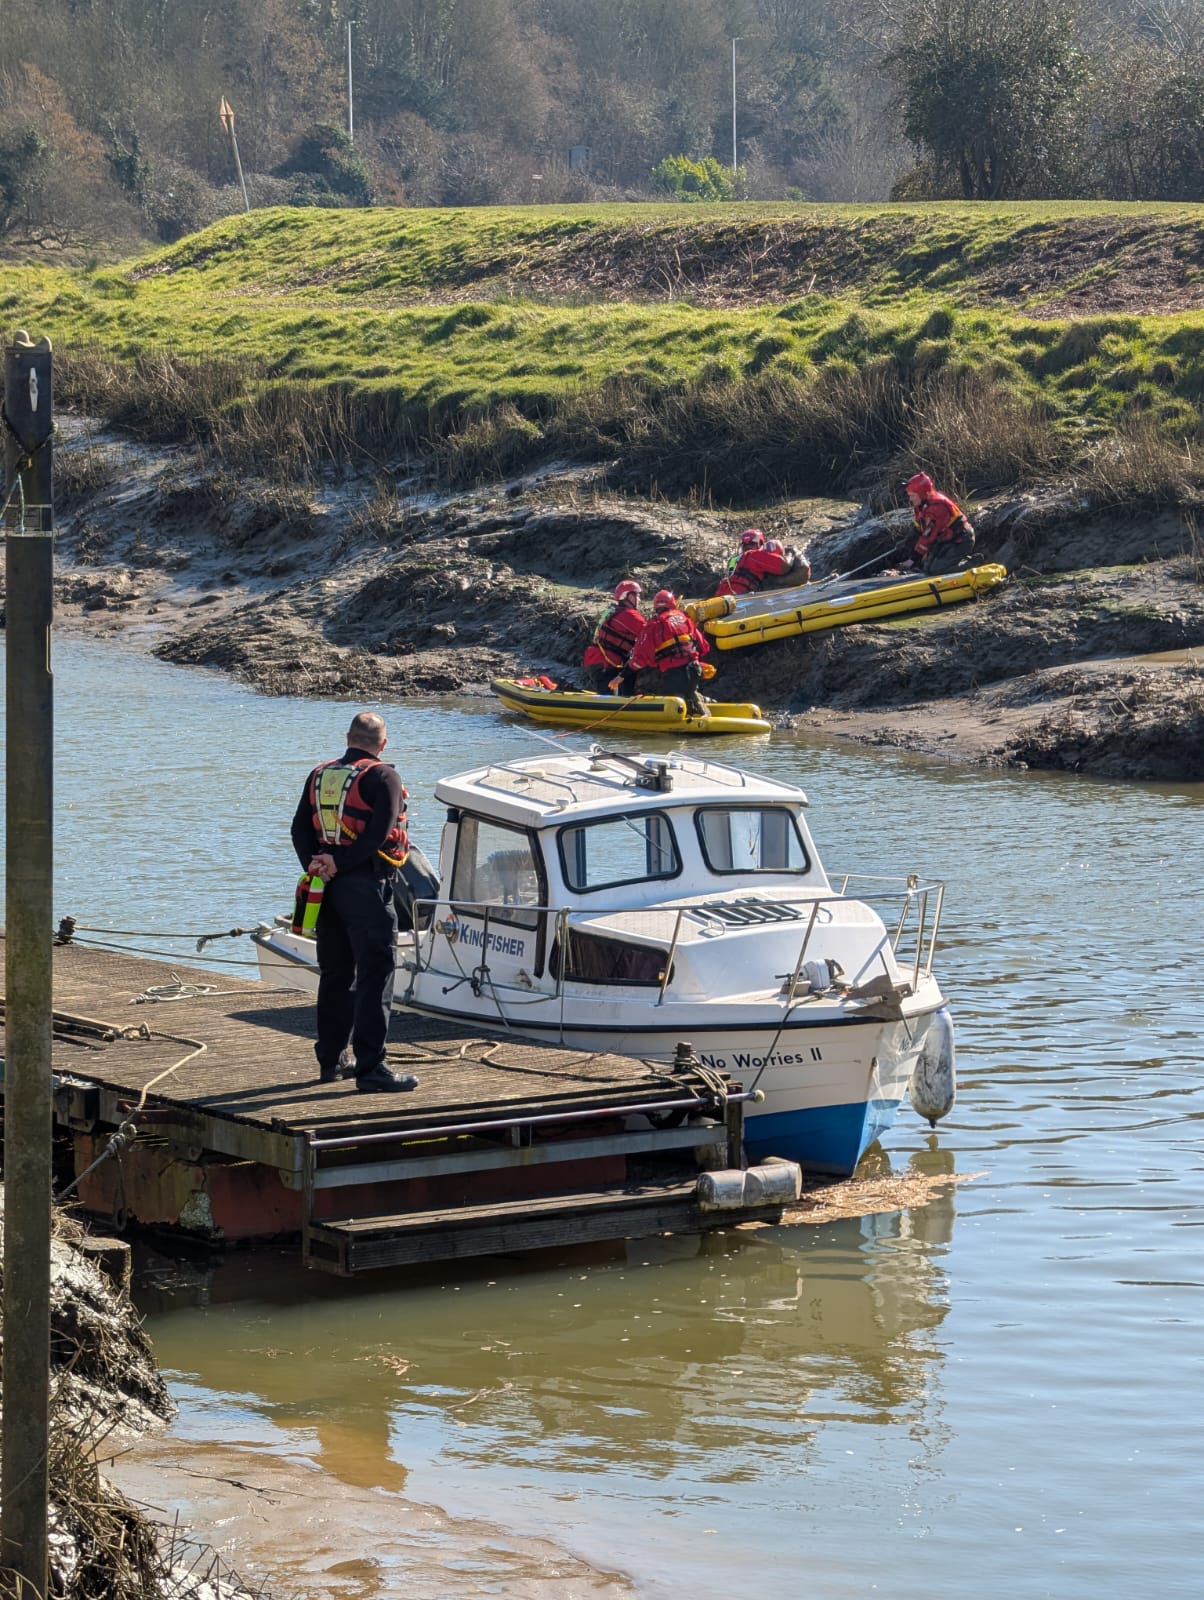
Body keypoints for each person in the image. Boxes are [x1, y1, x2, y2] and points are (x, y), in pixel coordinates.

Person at [291, 711, 419, 1093]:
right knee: (374, 976)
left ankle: (331, 1060)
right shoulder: (384, 776)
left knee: (335, 974)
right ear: (383, 744)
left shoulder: (319, 774)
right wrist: (341, 864)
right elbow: (378, 835)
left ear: (348, 738)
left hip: (326, 889)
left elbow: (299, 828)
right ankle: (371, 1068)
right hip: (366, 886)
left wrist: (319, 866)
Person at [617, 589, 711, 716]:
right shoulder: (685, 619)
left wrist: (621, 676)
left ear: (656, 606)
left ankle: (687, 720)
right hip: (695, 669)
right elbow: (704, 647)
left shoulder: (654, 625)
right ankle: (702, 714)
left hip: (674, 674)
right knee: (690, 691)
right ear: (673, 603)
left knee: (673, 700)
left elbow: (640, 659)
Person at [893, 472, 976, 576]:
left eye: (913, 496)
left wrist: (913, 559)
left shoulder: (937, 508)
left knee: (936, 571)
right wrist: (908, 541)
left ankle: (973, 565)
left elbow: (928, 536)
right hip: (947, 540)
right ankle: (956, 561)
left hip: (961, 540)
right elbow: (919, 526)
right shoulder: (922, 504)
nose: (910, 499)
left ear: (923, 494)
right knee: (926, 566)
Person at [582, 579, 646, 691]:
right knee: (607, 699)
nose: (639, 599)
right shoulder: (630, 615)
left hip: (596, 661)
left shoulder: (612, 610)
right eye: (638, 596)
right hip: (606, 664)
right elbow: (649, 633)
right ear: (630, 597)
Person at [715, 528, 812, 597]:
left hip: (721, 595)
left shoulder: (734, 559)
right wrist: (790, 553)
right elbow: (783, 566)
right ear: (760, 544)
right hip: (739, 595)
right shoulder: (754, 554)